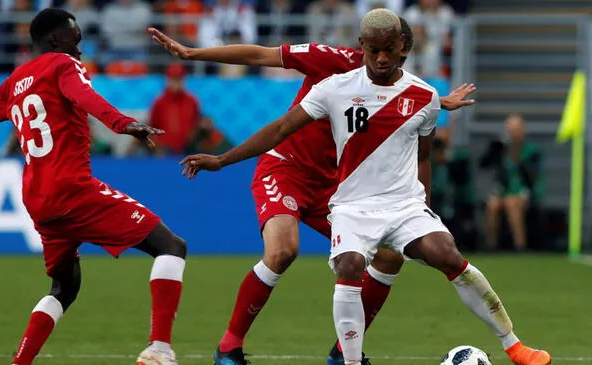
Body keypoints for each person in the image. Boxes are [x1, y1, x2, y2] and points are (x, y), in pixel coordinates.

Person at [181, 9, 552, 365]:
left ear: (403, 47)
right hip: (287, 168)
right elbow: (265, 65)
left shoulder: (417, 92)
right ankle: (229, 348)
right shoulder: (331, 70)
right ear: (362, 46)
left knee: (391, 257)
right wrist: (194, 53)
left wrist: (439, 104)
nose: (380, 58)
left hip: (336, 179)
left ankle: (344, 353)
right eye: (372, 49)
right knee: (283, 252)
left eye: (389, 49)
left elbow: (407, 108)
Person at [0, 9, 185, 365]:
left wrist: (16, 100)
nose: (80, 44)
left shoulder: (17, 79)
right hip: (72, 189)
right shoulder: (62, 64)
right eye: (74, 36)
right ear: (54, 39)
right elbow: (85, 98)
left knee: (64, 287)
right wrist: (125, 124)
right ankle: (159, 350)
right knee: (171, 246)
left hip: (38, 199)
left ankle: (20, 362)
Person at [482, 113, 543, 251]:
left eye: (516, 129)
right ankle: (491, 244)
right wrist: (492, 150)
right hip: (503, 189)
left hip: (524, 190)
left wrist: (517, 158)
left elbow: (532, 177)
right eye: (510, 129)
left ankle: (519, 244)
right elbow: (483, 164)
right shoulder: (501, 149)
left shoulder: (531, 151)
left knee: (511, 203)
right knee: (492, 204)